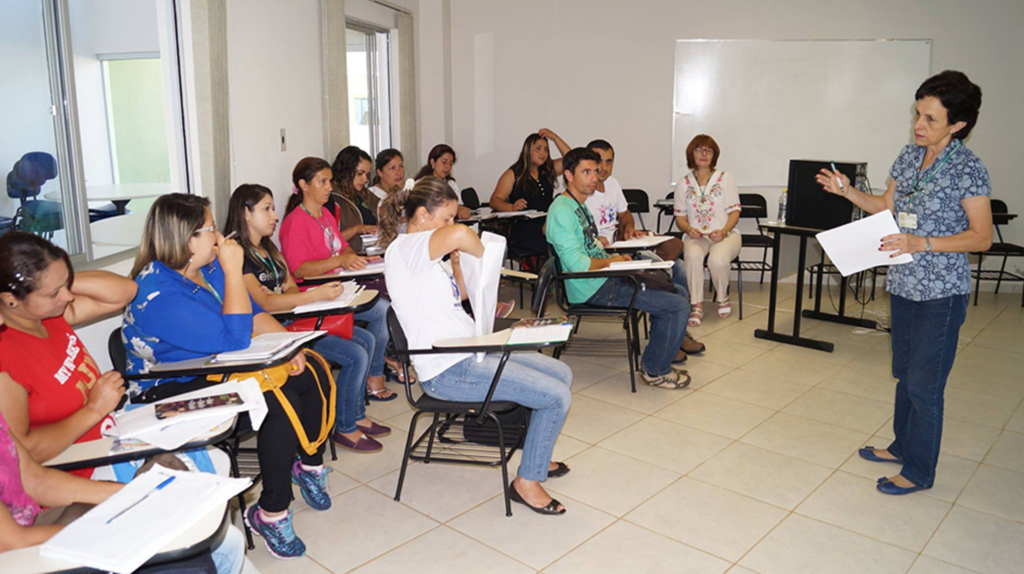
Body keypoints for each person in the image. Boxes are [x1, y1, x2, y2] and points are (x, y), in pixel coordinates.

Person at [122, 193, 332, 559]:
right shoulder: (156, 292)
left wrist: (289, 347)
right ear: (187, 239)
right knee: (272, 401)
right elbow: (233, 339)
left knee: (308, 366)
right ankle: (272, 511)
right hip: (169, 389)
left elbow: (250, 316)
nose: (220, 237)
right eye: (210, 229)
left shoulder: (207, 268)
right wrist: (235, 271)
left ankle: (310, 464)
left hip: (218, 366)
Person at [815, 70, 991, 495]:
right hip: (904, 285)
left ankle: (919, 470)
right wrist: (847, 192)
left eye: (931, 119)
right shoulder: (909, 156)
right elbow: (885, 206)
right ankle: (901, 445)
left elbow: (981, 237)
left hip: (941, 294)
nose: (918, 125)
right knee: (903, 374)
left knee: (924, 384)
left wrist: (922, 242)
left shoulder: (968, 169)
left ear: (957, 124)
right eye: (918, 114)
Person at [379, 176, 573, 515]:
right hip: (448, 369)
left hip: (470, 351)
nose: (452, 224)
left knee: (561, 373)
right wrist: (487, 255)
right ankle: (526, 482)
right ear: (422, 215)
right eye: (446, 217)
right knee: (556, 396)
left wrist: (456, 264)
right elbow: (463, 235)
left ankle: (536, 452)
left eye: (453, 218)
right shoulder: (404, 248)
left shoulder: (423, 256)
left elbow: (461, 294)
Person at [224, 184, 391, 453]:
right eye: (267, 209)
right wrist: (306, 296)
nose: (274, 216)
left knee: (367, 339)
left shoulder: (269, 249)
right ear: (245, 213)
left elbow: (288, 288)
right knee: (356, 354)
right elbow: (265, 304)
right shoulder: (239, 257)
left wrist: (283, 296)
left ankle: (356, 415)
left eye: (273, 209)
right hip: (274, 333)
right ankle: (345, 428)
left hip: (295, 321)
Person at [546, 148, 692, 390]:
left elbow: (588, 248)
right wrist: (614, 263)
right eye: (586, 172)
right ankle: (656, 371)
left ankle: (658, 358)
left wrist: (615, 257)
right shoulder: (562, 209)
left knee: (678, 290)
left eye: (595, 171)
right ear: (569, 175)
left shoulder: (578, 205)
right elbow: (578, 265)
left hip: (604, 277)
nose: (594, 177)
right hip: (592, 287)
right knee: (677, 304)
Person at [0, 232, 134, 477]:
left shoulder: (49, 316)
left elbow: (125, 291)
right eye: (54, 294)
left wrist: (54, 279)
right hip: (84, 470)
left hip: (115, 437)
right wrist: (94, 409)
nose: (68, 296)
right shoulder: (6, 359)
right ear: (11, 300)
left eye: (66, 285)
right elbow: (22, 451)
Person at [280, 157, 402, 396]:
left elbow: (342, 245)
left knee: (384, 308)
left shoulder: (324, 215)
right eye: (322, 182)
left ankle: (375, 373)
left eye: (330, 181)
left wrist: (354, 259)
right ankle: (374, 378)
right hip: (315, 296)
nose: (329, 187)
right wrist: (339, 261)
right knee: (379, 310)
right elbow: (299, 270)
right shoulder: (296, 222)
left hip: (339, 288)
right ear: (304, 185)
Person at [585, 139, 705, 356]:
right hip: (605, 259)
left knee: (677, 267)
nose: (603, 167)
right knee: (661, 274)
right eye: (598, 161)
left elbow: (624, 214)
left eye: (609, 161)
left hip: (621, 249)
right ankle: (669, 338)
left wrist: (629, 227)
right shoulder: (584, 190)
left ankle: (677, 334)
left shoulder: (612, 184)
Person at [673, 135, 743, 325]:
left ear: (714, 155)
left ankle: (723, 297)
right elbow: (680, 218)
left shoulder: (725, 178)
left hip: (726, 235)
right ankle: (696, 305)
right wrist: (688, 229)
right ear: (691, 154)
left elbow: (735, 212)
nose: (704, 154)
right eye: (699, 149)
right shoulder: (683, 183)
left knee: (717, 260)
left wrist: (724, 231)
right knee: (693, 255)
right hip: (697, 236)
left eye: (708, 150)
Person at [489, 130, 567, 264]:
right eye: (538, 149)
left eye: (546, 150)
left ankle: (557, 280)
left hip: (547, 224)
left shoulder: (547, 170)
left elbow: (571, 159)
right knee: (549, 247)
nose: (543, 153)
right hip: (525, 227)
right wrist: (511, 207)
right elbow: (495, 200)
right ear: (527, 150)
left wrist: (555, 137)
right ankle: (547, 280)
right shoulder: (514, 173)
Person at [325, 146, 379, 251]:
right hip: (346, 258)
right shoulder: (331, 198)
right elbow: (328, 241)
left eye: (367, 174)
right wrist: (356, 229)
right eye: (360, 173)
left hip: (368, 253)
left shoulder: (363, 192)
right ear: (345, 170)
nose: (365, 179)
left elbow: (381, 209)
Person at [414, 144, 472, 220]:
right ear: (433, 162)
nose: (447, 167)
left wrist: (460, 209)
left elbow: (458, 205)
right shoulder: (420, 185)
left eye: (450, 164)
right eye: (444, 162)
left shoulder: (451, 184)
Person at [365, 149, 406, 219]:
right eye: (392, 168)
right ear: (380, 173)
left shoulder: (404, 192)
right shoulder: (371, 195)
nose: (399, 172)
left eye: (401, 166)